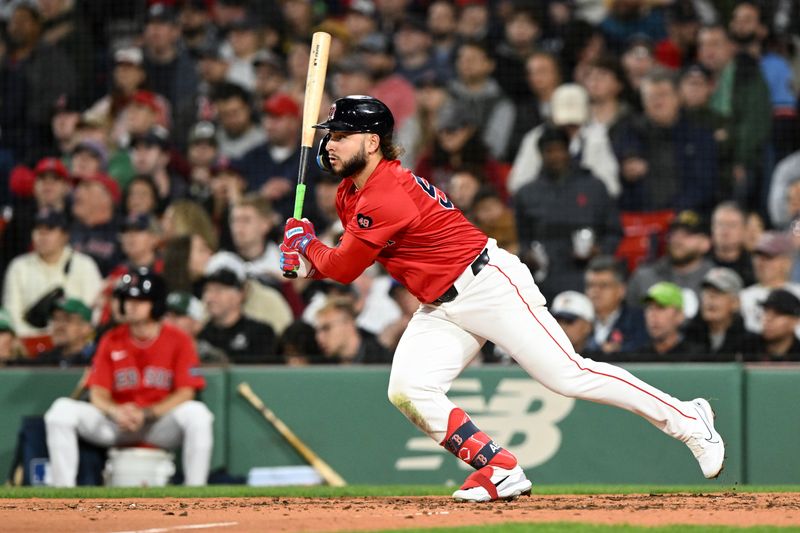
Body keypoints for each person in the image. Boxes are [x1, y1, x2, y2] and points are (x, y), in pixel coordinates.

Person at [279, 95, 725, 502]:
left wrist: (308, 248)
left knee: (569, 376)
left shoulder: (387, 193)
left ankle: (688, 420)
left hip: (487, 284)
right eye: (329, 136)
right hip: (441, 305)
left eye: (340, 136)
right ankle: (499, 468)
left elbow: (344, 267)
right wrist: (306, 257)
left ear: (372, 142)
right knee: (408, 389)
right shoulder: (351, 189)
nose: (330, 145)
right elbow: (344, 257)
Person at [43, 269, 214, 487]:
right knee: (60, 412)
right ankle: (63, 493)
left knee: (198, 415)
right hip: (117, 424)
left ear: (156, 303)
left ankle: (195, 491)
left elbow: (186, 392)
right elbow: (98, 393)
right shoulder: (111, 339)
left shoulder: (178, 339)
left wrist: (147, 413)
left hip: (157, 424)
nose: (131, 305)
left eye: (139, 299)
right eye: (127, 299)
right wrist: (116, 412)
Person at [3, 208, 102, 339]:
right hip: (30, 342)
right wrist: (39, 339)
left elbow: (94, 311)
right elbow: (12, 315)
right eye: (38, 229)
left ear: (65, 235)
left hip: (76, 341)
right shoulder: (19, 266)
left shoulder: (84, 265)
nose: (42, 235)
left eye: (49, 229)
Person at [197, 259, 279, 364]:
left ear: (239, 295)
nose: (210, 297)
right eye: (207, 290)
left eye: (219, 290)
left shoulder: (260, 333)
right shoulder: (202, 335)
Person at [583, 255, 648, 356]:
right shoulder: (578, 321)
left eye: (603, 285)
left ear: (621, 290)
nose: (595, 291)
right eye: (590, 285)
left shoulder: (638, 321)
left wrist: (620, 351)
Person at [684, 267, 748, 361]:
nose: (710, 298)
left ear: (735, 302)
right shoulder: (687, 337)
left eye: (718, 292)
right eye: (706, 292)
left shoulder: (750, 343)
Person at [313, 298, 392, 365]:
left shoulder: (384, 361)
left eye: (327, 328)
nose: (319, 337)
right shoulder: (321, 365)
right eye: (317, 331)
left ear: (349, 324)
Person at [28, 297, 96, 367]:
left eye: (67, 320)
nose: (59, 326)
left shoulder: (97, 360)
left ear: (86, 328)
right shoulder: (45, 360)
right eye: (55, 319)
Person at [742, 289, 800, 361]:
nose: (768, 319)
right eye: (766, 312)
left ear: (795, 320)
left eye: (777, 314)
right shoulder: (746, 347)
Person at [550, 291, 595, 355]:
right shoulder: (541, 356)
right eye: (557, 321)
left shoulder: (603, 358)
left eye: (569, 321)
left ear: (587, 326)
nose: (562, 327)